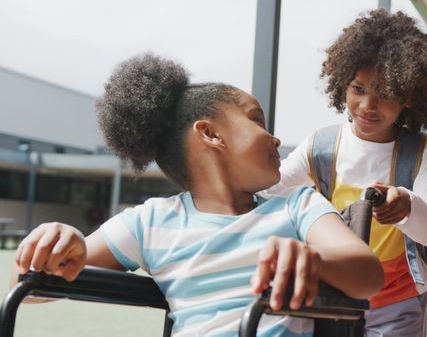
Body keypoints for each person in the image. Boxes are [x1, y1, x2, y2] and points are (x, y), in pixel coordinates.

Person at [11, 53, 384, 337]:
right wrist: (55, 249)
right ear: (211, 134)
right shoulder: (150, 222)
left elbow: (367, 273)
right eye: (256, 120)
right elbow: (30, 289)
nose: (274, 138)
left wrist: (314, 260)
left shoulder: (298, 206)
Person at [266, 9, 427, 336]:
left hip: (397, 301)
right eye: (358, 88)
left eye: (384, 94)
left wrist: (407, 207)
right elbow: (267, 194)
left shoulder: (423, 151)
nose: (368, 105)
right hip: (333, 297)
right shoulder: (321, 146)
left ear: (408, 97)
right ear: (343, 85)